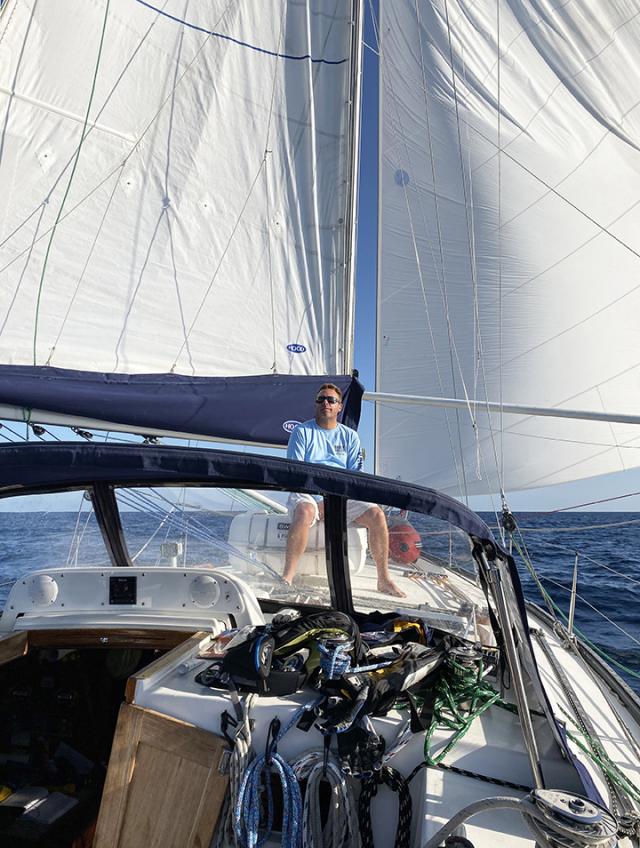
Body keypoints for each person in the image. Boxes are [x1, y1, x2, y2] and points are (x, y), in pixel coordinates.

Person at [283, 383, 405, 597]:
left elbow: (355, 477)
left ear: (339, 407)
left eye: (331, 400)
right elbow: (296, 472)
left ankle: (384, 579)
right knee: (304, 511)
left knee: (377, 515)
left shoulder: (350, 437)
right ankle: (287, 577)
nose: (326, 403)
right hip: (307, 493)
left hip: (340, 495)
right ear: (315, 404)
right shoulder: (301, 432)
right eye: (321, 399)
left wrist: (335, 501)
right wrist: (320, 501)